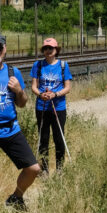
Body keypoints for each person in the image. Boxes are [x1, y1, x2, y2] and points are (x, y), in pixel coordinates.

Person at [0, 33, 41, 210]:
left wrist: (19, 90)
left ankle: (16, 197)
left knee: (33, 168)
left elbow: (22, 103)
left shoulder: (13, 72)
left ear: (4, 50)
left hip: (11, 130)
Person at [30, 37, 73, 173]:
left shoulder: (63, 65)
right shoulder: (37, 65)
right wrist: (40, 95)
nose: (48, 50)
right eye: (45, 48)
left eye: (51, 48)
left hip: (58, 107)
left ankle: (60, 169)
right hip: (42, 107)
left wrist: (55, 94)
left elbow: (67, 87)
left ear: (56, 50)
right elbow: (34, 86)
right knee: (43, 139)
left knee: (59, 138)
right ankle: (45, 170)